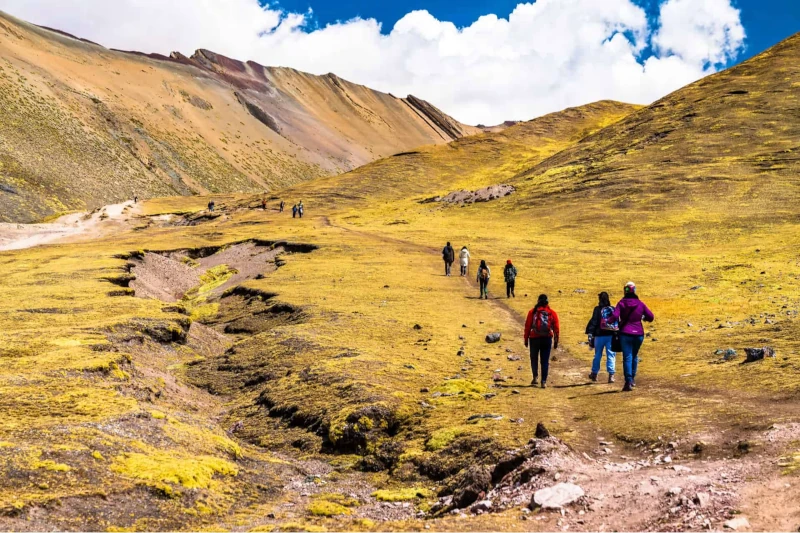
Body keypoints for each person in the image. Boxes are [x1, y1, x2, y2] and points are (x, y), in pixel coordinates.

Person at [611, 282, 654, 392]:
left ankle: (628, 381)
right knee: (634, 356)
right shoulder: (640, 304)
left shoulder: (621, 303)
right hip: (639, 333)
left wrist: (609, 321)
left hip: (625, 333)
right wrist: (643, 318)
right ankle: (632, 379)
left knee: (627, 357)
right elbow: (651, 316)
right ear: (634, 290)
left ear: (624, 291)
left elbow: (615, 316)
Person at [524, 294, 560, 388]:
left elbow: (527, 326)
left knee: (534, 358)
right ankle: (543, 381)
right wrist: (556, 341)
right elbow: (556, 328)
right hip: (547, 338)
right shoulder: (552, 313)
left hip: (534, 338)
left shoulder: (532, 312)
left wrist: (526, 339)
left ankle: (535, 377)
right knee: (544, 361)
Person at [585, 291, 618, 383]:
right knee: (611, 355)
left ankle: (594, 374)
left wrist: (590, 333)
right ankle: (611, 375)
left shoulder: (597, 309)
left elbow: (594, 321)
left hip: (599, 336)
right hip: (610, 336)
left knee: (597, 355)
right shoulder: (612, 309)